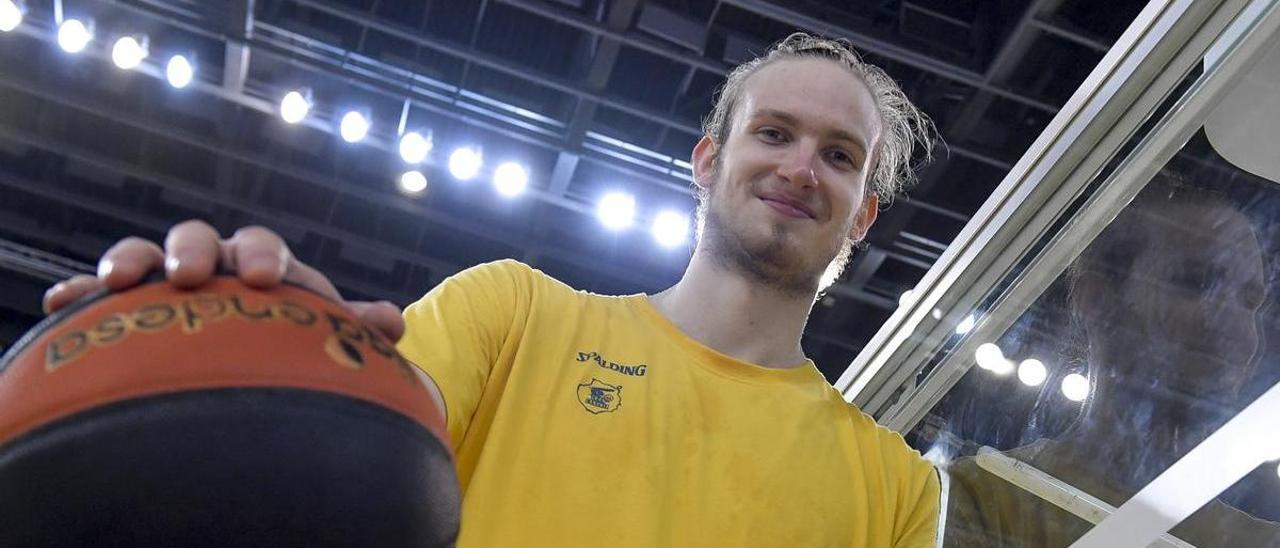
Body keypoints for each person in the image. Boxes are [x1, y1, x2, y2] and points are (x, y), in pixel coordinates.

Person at [43, 33, 941, 546]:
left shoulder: (897, 489)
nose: (799, 168)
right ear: (708, 164)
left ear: (861, 215)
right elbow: (350, 441)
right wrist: (263, 357)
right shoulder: (514, 314)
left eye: (838, 155)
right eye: (774, 133)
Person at [943, 175, 1280, 546]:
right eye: (1196, 282)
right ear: (1098, 301)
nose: (1237, 328)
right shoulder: (985, 495)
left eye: (1251, 302)